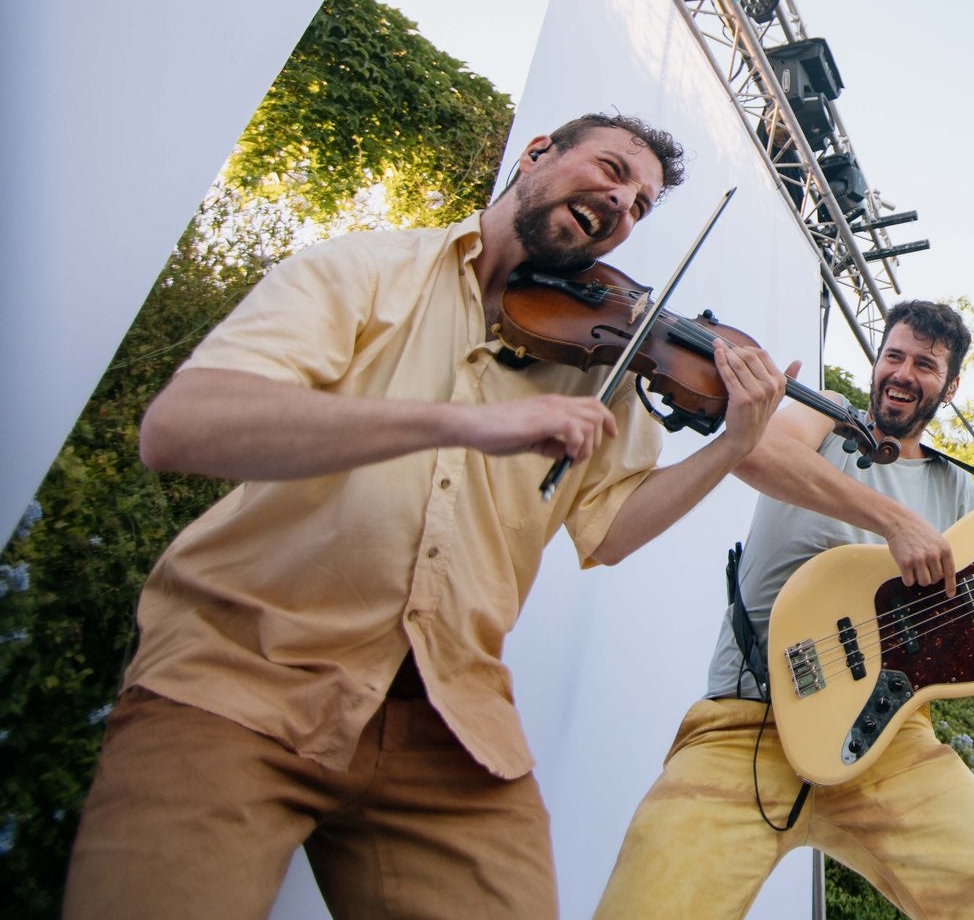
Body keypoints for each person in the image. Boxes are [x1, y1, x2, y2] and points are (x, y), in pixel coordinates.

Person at [64, 113, 796, 920]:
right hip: (237, 678)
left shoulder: (602, 365)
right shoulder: (367, 269)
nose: (624, 202)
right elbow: (184, 427)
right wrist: (459, 421)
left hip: (451, 724)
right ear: (539, 152)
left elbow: (611, 530)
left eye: (641, 205)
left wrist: (733, 446)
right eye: (614, 170)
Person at [594, 298, 974, 919]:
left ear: (949, 387)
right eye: (893, 355)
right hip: (748, 725)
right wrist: (894, 522)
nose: (902, 372)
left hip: (889, 743)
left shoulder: (958, 489)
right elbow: (755, 453)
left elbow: (953, 636)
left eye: (924, 365)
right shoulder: (825, 415)